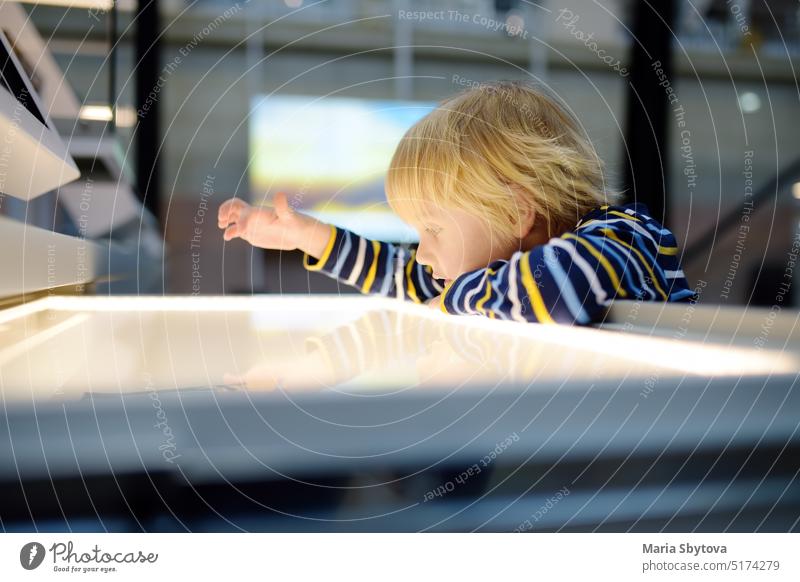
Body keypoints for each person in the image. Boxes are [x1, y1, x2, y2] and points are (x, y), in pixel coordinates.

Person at [218, 80, 696, 325]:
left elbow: (560, 287)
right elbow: (410, 277)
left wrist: (446, 300)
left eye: (434, 229)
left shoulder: (625, 236)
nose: (422, 251)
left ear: (514, 212)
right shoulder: (497, 269)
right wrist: (309, 236)